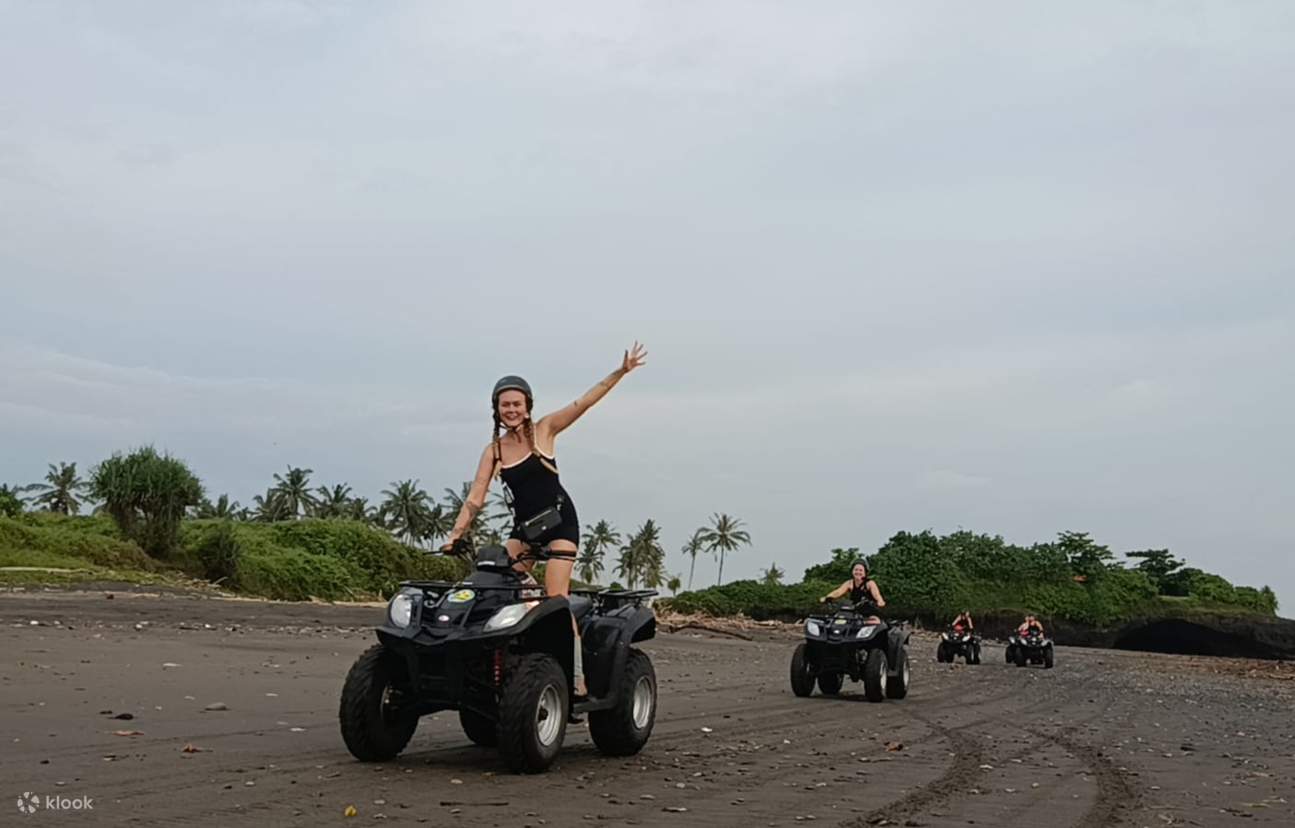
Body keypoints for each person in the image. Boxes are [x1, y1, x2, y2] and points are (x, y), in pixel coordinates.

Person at [442, 343, 648, 697]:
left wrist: (620, 371)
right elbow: (475, 497)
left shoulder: (545, 430)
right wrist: (454, 535)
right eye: (504, 405)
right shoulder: (493, 450)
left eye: (516, 404)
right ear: (496, 409)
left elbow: (584, 402)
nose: (510, 410)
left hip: (559, 525)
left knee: (555, 597)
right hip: (525, 529)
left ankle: (577, 677)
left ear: (527, 406)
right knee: (491, 583)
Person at [820, 560, 886, 622]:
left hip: (870, 612)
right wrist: (827, 597)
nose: (858, 572)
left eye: (861, 570)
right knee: (838, 619)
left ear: (865, 572)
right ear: (852, 571)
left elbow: (876, 595)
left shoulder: (870, 583)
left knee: (875, 621)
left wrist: (880, 601)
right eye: (856, 570)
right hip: (854, 611)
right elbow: (838, 592)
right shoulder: (849, 583)